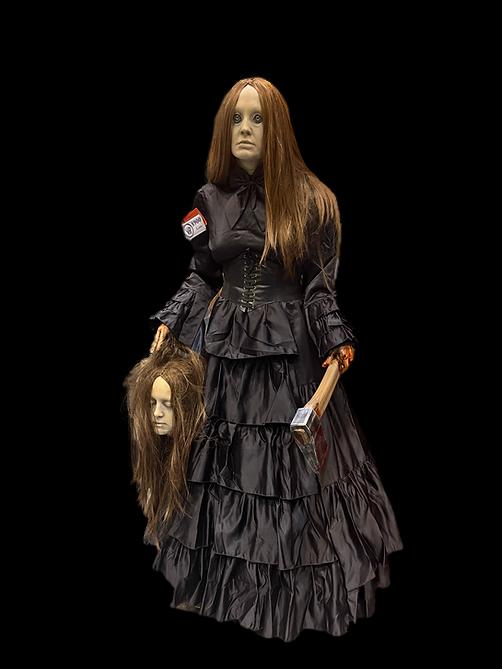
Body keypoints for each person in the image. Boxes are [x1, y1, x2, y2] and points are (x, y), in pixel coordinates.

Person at [146, 77, 402, 641]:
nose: (244, 129)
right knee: (223, 473)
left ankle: (288, 598)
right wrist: (172, 319)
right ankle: (221, 589)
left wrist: (333, 348)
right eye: (236, 118)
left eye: (257, 119)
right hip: (227, 358)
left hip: (289, 362)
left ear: (278, 128)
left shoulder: (312, 200)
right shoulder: (207, 201)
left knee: (289, 478)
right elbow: (202, 273)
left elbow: (317, 287)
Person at [125, 336, 206, 549]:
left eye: (167, 405)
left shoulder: (201, 468)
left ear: (184, 407)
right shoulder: (156, 455)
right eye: (153, 403)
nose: (157, 414)